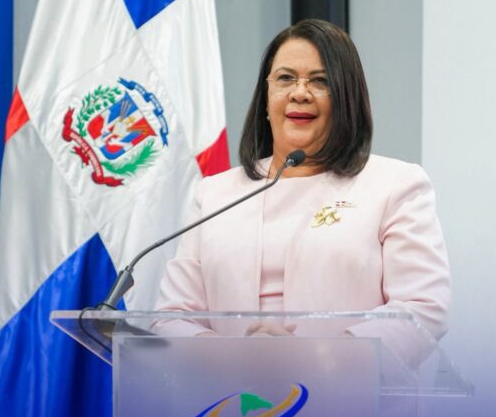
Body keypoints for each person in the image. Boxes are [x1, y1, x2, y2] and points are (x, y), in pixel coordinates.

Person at [155, 19, 450, 343]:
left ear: (346, 99)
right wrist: (233, 355)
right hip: (229, 376)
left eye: (320, 81)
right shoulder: (215, 194)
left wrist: (321, 357)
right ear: (266, 99)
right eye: (285, 78)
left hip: (345, 374)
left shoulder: (395, 186)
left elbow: (422, 309)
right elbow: (171, 318)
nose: (299, 93)